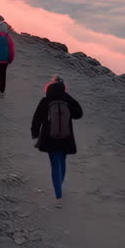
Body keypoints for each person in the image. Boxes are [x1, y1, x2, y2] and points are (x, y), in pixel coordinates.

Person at [30, 76, 83, 205]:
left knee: (55, 164)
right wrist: (67, 97)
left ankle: (58, 196)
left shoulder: (46, 100)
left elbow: (37, 118)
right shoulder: (67, 99)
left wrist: (35, 133)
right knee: (62, 162)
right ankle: (60, 188)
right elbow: (79, 114)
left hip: (50, 138)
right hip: (66, 137)